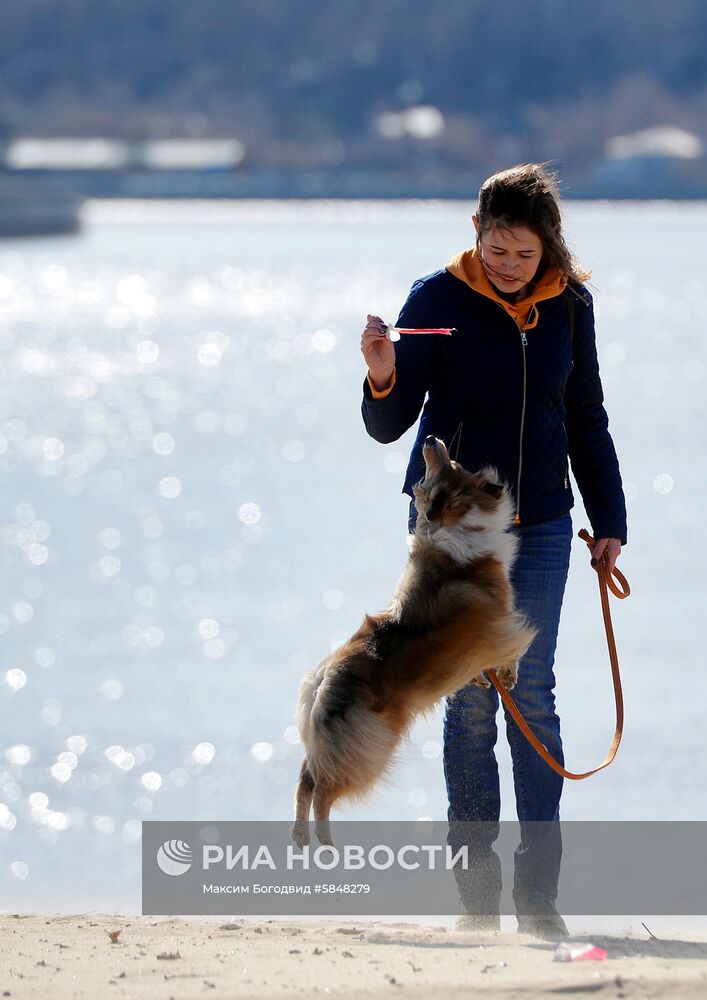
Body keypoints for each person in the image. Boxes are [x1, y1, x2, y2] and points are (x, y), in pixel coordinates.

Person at [359, 163, 627, 938]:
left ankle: (537, 900)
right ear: (474, 232)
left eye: (524, 253)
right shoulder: (436, 300)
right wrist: (382, 376)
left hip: (540, 524)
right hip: (451, 533)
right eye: (497, 249)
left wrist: (608, 519)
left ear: (548, 247)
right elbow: (390, 422)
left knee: (529, 691)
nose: (510, 266)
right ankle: (475, 901)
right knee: (470, 698)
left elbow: (587, 415)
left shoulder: (568, 305)